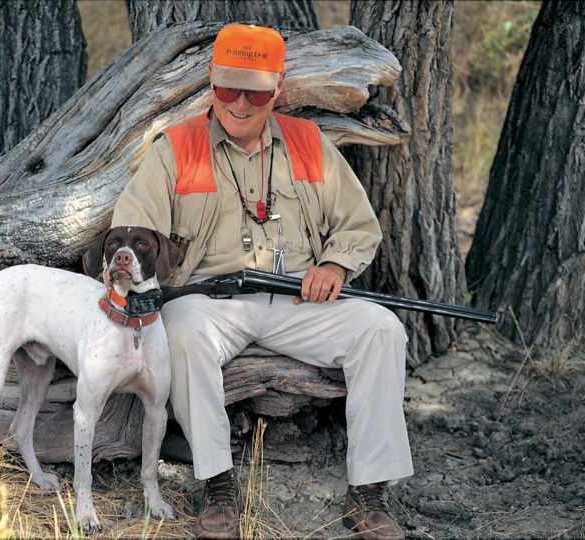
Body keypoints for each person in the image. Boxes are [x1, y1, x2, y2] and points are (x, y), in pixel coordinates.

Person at [111, 23, 412, 540]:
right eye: (229, 89)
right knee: (180, 334)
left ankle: (367, 493)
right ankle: (219, 485)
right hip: (208, 300)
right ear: (211, 83)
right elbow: (132, 232)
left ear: (277, 89)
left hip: (298, 298)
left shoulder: (309, 142)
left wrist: (335, 266)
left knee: (382, 330)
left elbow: (359, 226)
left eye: (254, 91)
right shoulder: (175, 149)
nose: (241, 104)